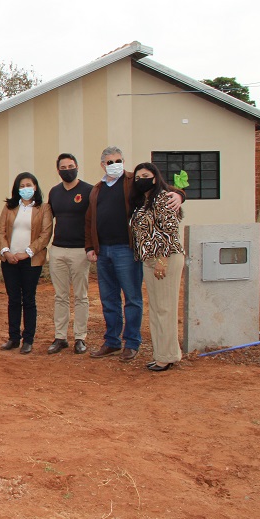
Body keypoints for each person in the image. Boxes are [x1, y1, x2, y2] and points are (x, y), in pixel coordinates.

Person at [85, 146, 182, 362]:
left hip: (126, 250)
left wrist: (179, 195)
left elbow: (163, 189)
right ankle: (112, 342)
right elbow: (89, 219)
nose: (115, 165)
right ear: (102, 165)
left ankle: (131, 343)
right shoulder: (97, 189)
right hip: (103, 251)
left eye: (118, 160)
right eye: (110, 162)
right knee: (109, 299)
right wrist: (90, 246)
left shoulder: (133, 182)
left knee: (132, 298)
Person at [129, 163, 184, 372]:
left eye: (145, 175)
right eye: (137, 177)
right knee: (157, 308)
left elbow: (170, 230)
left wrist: (162, 259)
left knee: (165, 308)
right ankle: (162, 353)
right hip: (149, 260)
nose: (141, 180)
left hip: (165, 258)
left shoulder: (163, 198)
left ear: (155, 178)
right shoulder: (143, 201)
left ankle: (167, 356)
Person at [0, 172, 53, 354]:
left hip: (31, 261)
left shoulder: (44, 208)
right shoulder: (9, 207)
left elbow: (45, 234)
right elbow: (0, 231)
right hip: (9, 260)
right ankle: (13, 338)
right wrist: (6, 251)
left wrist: (27, 253)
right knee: (13, 299)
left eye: (28, 185)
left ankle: (28, 339)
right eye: (21, 186)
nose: (25, 188)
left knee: (28, 299)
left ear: (35, 187)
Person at [46, 153, 94, 355]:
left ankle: (80, 337)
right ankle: (60, 337)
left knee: (81, 296)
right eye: (63, 168)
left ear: (77, 167)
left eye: (71, 166)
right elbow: (49, 219)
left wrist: (91, 247)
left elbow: (93, 220)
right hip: (58, 249)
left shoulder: (89, 190)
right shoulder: (54, 192)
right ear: (58, 170)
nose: (68, 170)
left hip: (80, 251)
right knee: (60, 296)